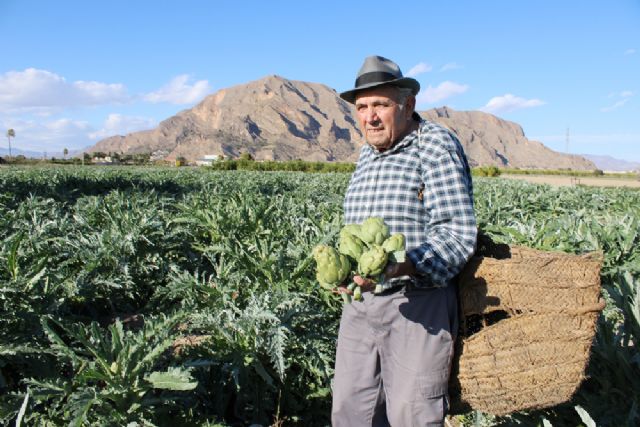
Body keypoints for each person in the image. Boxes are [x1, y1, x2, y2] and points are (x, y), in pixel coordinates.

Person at [332, 55, 477, 426]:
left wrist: (400, 265)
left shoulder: (435, 146)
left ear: (407, 104)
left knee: (412, 414)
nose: (370, 116)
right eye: (362, 107)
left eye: (380, 104)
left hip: (418, 303)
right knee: (351, 411)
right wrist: (344, 273)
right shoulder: (367, 154)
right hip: (360, 306)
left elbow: (456, 234)